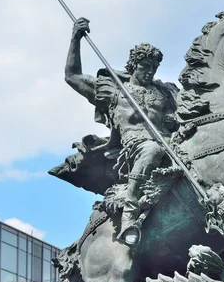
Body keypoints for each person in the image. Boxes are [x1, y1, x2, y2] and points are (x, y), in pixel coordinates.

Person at [64, 17, 178, 246]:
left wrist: (174, 119)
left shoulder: (165, 93)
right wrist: (75, 39)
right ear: (133, 65)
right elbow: (72, 76)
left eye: (154, 68)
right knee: (152, 149)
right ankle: (129, 213)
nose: (149, 72)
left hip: (170, 144)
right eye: (145, 67)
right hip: (135, 148)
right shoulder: (114, 90)